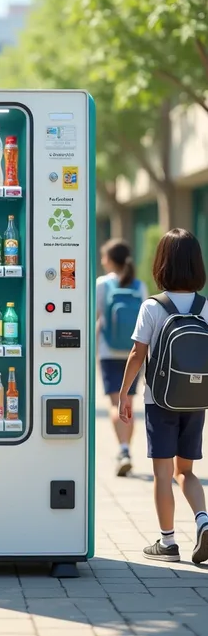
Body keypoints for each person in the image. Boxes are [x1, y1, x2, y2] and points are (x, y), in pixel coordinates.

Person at [119, 228, 208, 563]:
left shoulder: (153, 307)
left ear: (161, 264)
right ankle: (203, 522)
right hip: (196, 401)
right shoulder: (205, 306)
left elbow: (137, 354)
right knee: (187, 470)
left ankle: (168, 542)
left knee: (163, 472)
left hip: (160, 401)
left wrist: (124, 393)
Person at [97, 239, 147, 476]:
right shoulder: (140, 286)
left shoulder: (102, 284)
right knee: (129, 403)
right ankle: (127, 449)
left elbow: (95, 315)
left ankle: (123, 449)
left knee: (115, 403)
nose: (101, 260)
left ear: (110, 259)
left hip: (108, 351)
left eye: (103, 257)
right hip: (133, 353)